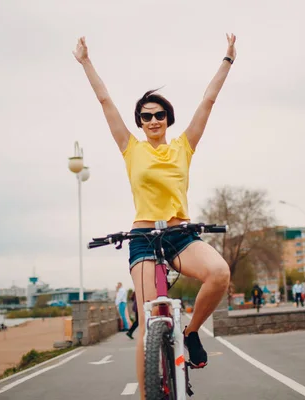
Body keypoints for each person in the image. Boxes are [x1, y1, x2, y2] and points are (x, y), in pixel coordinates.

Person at [73, 33, 235, 394]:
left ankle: (191, 333)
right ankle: (148, 394)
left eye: (159, 114)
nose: (153, 120)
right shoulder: (131, 148)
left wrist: (227, 59)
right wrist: (86, 62)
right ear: (140, 121)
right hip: (144, 238)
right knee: (149, 321)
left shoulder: (183, 146)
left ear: (168, 118)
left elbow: (208, 100)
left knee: (220, 273)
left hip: (180, 235)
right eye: (146, 116)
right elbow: (104, 101)